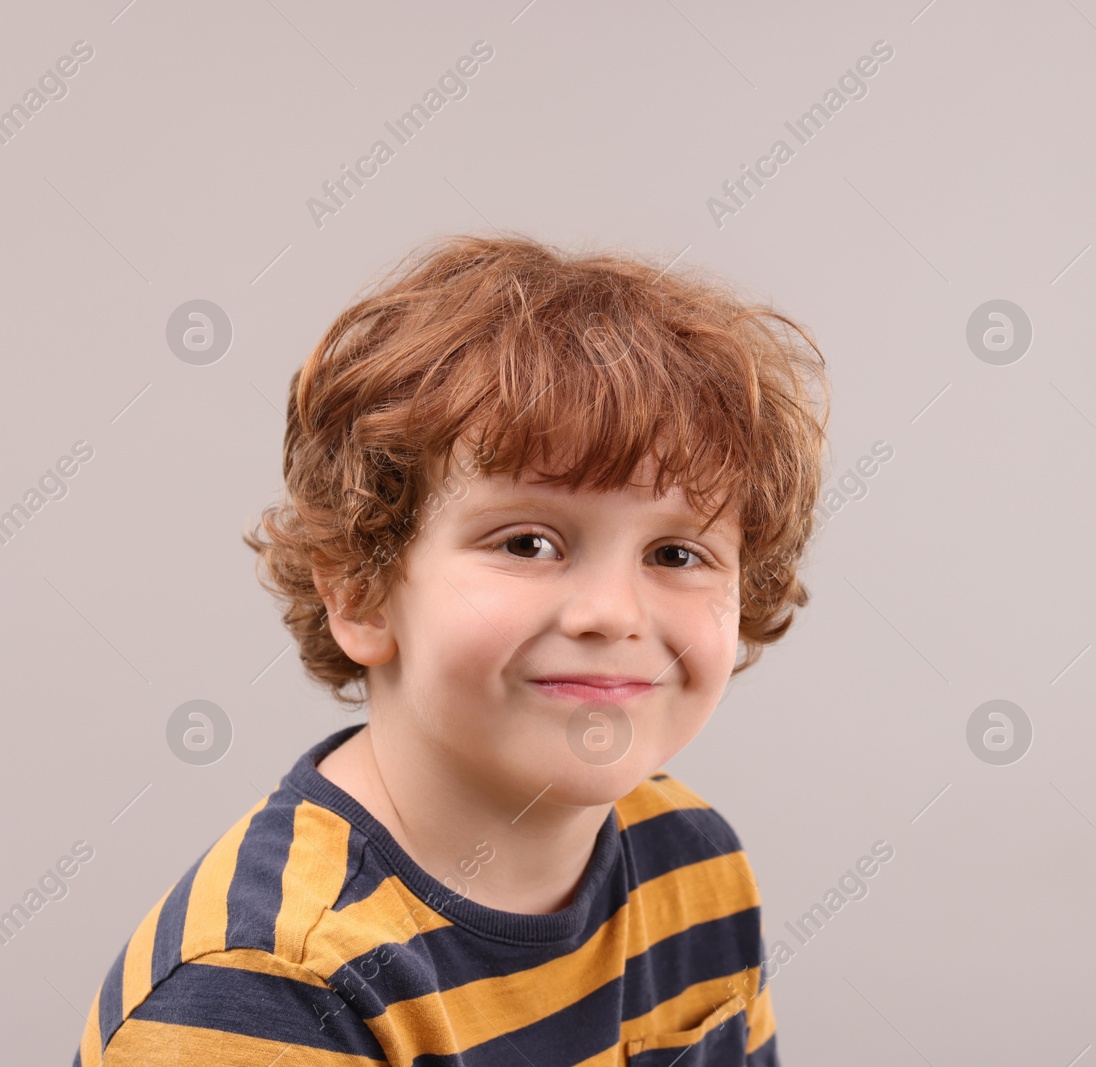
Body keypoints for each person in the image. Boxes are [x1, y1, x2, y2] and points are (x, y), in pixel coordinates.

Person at [73, 233, 830, 1065]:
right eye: (529, 543)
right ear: (360, 590)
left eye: (676, 555)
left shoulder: (689, 858)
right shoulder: (267, 986)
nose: (614, 614)